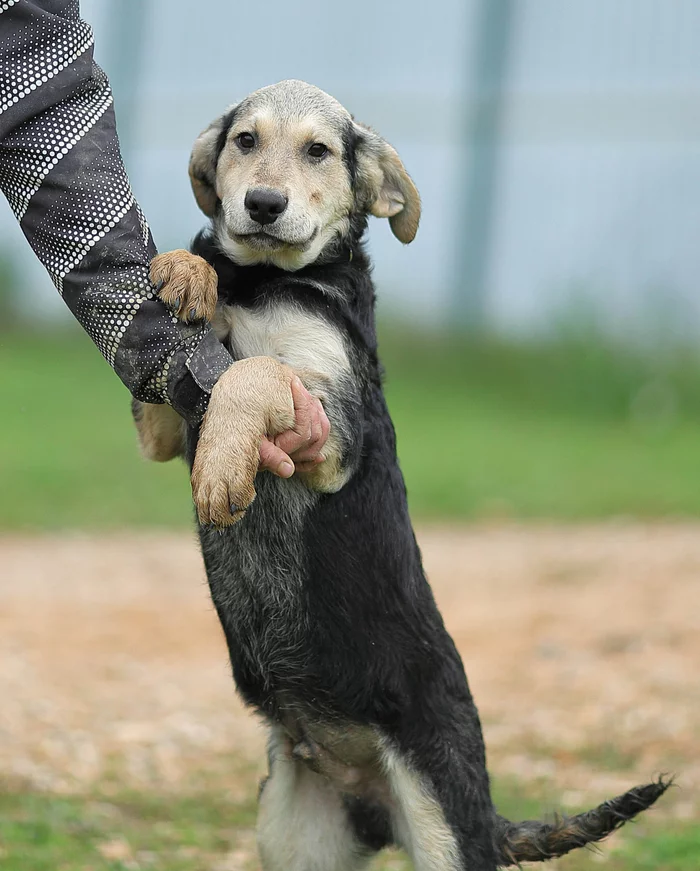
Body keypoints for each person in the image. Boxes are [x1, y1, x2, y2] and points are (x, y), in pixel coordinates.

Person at [0, 0, 330, 503]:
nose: (269, 185)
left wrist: (228, 379)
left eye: (316, 152)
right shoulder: (200, 276)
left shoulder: (335, 314)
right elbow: (157, 440)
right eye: (246, 142)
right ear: (209, 170)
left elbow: (332, 455)